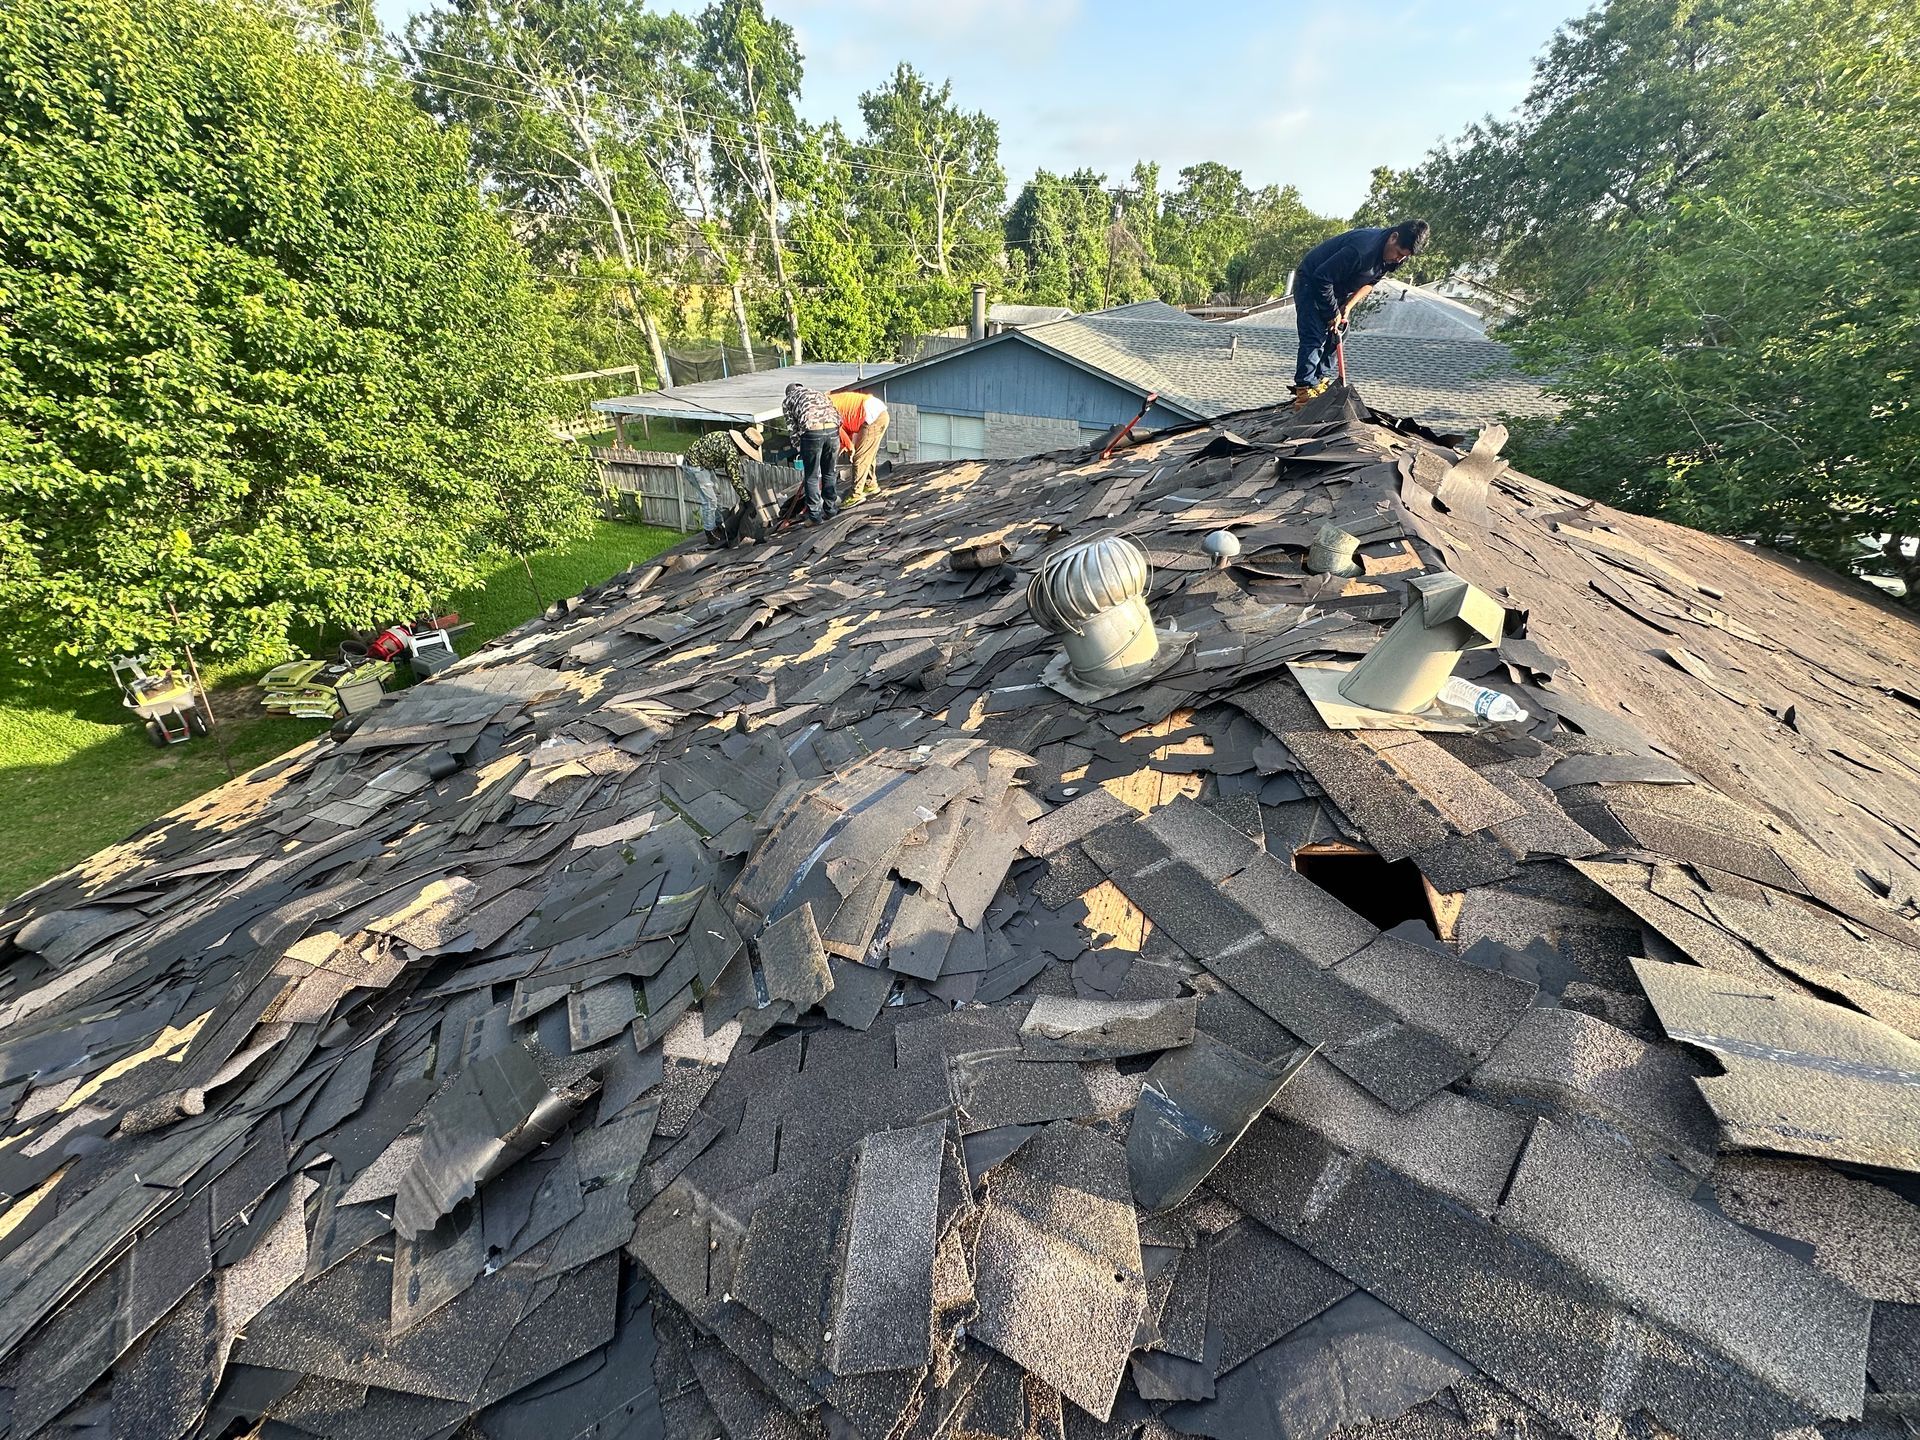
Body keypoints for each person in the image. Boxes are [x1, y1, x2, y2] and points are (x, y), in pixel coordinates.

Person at [1292, 218, 1431, 406]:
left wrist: (1348, 306)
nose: (1399, 260)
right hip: (1312, 281)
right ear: (1393, 237)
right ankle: (1305, 388)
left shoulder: (1394, 257)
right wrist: (1332, 313)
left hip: (1337, 288)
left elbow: (1371, 282)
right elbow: (1321, 278)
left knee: (1339, 333)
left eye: (1404, 257)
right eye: (1399, 253)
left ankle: (1318, 379)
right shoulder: (1361, 250)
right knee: (1315, 335)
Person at [682, 424, 762, 545]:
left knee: (717, 496)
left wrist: (745, 494)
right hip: (694, 466)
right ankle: (710, 533)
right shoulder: (731, 452)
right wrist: (747, 500)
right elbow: (734, 478)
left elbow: (734, 475)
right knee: (710, 500)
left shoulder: (728, 439)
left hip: (704, 464)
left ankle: (719, 526)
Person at [783, 381, 842, 523]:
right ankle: (831, 510)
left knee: (812, 476)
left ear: (788, 393)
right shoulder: (818, 393)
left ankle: (815, 516)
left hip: (812, 431)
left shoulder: (788, 400)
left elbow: (792, 429)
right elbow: (838, 416)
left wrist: (801, 450)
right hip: (833, 428)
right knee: (829, 472)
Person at [832, 390, 890, 505]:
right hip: (876, 413)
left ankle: (855, 495)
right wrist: (845, 446)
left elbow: (839, 432)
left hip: (872, 416)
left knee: (860, 458)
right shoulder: (827, 403)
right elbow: (845, 429)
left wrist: (849, 448)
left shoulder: (824, 412)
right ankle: (870, 484)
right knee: (867, 454)